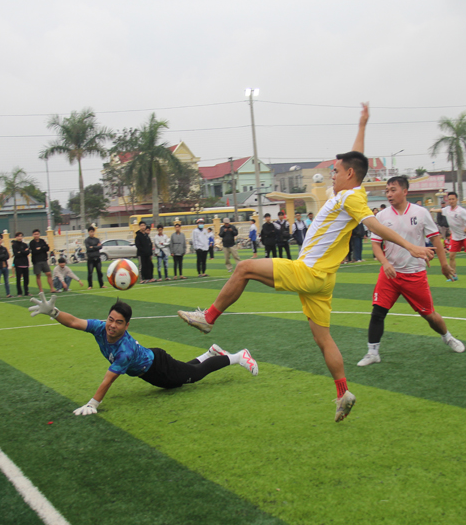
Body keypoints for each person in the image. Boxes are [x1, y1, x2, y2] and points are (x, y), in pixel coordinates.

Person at [178, 103, 435, 423]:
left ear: (349, 175)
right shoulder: (347, 191)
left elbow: (374, 226)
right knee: (322, 337)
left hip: (311, 272)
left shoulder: (352, 196)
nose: (333, 172)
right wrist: (362, 125)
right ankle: (343, 393)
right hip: (322, 279)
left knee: (244, 268)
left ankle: (209, 318)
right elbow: (356, 160)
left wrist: (413, 246)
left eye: (337, 171)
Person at [27, 297, 257, 415]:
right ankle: (211, 352)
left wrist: (92, 404)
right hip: (154, 363)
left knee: (194, 375)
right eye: (110, 320)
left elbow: (108, 380)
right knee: (185, 371)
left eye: (118, 323)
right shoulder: (99, 327)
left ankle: (238, 356)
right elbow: (75, 322)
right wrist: (54, 312)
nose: (112, 326)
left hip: (158, 369)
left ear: (126, 326)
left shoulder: (124, 351)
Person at [357, 176, 464, 367]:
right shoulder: (381, 216)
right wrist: (385, 263)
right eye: (387, 190)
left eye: (393, 190)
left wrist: (444, 264)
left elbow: (436, 239)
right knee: (377, 312)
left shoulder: (421, 213)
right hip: (390, 275)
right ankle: (372, 352)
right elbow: (375, 244)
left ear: (405, 191)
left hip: (414, 274)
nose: (389, 194)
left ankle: (447, 337)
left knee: (429, 315)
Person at [432, 191, 466, 279]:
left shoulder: (461, 211)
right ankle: (454, 275)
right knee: (451, 256)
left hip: (465, 236)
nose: (451, 201)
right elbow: (441, 210)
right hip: (455, 237)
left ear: (456, 200)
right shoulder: (447, 209)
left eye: (453, 199)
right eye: (449, 199)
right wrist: (432, 210)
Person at [29, 229, 52, 293]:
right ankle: (41, 290)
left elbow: (47, 248)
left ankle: (52, 288)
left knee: (49, 274)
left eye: (37, 234)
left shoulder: (42, 241)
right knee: (38, 275)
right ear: (33, 235)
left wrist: (40, 248)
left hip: (44, 260)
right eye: (35, 234)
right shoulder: (32, 243)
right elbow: (34, 251)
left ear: (39, 234)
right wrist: (42, 249)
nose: (36, 235)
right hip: (36, 261)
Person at [0, 233, 12, 298]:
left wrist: (2, 256)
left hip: (5, 266)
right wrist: (3, 255)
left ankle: (8, 294)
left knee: (6, 281)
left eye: (0, 240)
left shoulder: (4, 248)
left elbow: (7, 256)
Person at [11, 232, 31, 296]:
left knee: (26, 279)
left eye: (21, 236)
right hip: (18, 264)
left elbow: (27, 252)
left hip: (25, 263)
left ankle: (26, 292)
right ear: (16, 237)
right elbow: (16, 254)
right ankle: (19, 293)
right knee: (18, 279)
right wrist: (23, 251)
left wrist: (21, 251)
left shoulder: (25, 244)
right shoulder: (14, 245)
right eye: (18, 236)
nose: (20, 237)